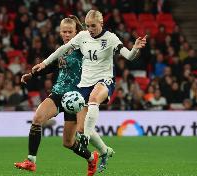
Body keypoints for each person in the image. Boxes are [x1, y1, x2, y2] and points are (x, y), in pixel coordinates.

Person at [33, 10, 147, 149]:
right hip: (85, 83)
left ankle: (85, 137)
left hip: (105, 79)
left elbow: (129, 56)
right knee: (81, 128)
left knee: (93, 100)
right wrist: (44, 63)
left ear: (101, 23)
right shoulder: (82, 36)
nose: (90, 29)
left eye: (93, 26)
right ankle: (105, 150)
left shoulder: (110, 38)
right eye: (87, 26)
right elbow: (62, 49)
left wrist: (135, 48)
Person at [14, 15, 112, 176]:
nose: (66, 35)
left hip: (76, 97)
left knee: (68, 142)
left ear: (76, 32)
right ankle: (31, 161)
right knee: (37, 118)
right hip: (58, 93)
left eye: (69, 31)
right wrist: (32, 74)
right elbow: (51, 67)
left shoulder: (84, 48)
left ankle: (91, 157)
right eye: (64, 32)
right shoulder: (62, 50)